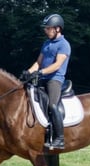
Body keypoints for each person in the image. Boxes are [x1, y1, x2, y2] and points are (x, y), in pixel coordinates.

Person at [23, 13, 71, 150]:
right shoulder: (46, 43)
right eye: (46, 28)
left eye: (48, 28)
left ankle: (60, 138)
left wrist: (41, 72)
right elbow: (38, 62)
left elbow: (57, 65)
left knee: (52, 106)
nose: (46, 30)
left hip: (55, 80)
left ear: (57, 29)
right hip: (43, 78)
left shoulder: (64, 45)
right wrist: (28, 72)